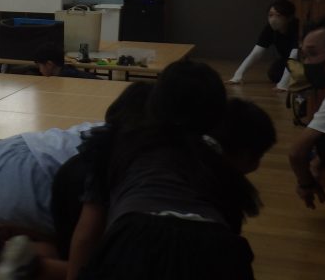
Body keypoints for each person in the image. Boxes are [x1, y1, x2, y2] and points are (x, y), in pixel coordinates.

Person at [0, 82, 155, 280]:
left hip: (4, 154)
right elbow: (86, 235)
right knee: (83, 250)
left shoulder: (98, 130)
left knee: (42, 234)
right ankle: (17, 259)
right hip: (34, 176)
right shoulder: (132, 147)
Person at [69, 60, 261, 279]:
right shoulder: (217, 157)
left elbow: (86, 236)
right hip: (216, 248)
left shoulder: (121, 143)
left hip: (135, 240)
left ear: (155, 103)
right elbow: (231, 222)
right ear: (217, 114)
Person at [287, 15, 325, 210]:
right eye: (304, 56)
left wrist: (305, 184)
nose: (307, 63)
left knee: (321, 141)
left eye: (312, 54)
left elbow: (297, 153)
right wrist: (319, 159)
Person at [228, 0, 300, 90]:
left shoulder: (298, 28)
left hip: (302, 61)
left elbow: (294, 55)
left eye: (278, 15)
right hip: (286, 59)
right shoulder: (270, 29)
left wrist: (283, 84)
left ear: (289, 18)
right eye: (270, 15)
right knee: (274, 74)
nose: (273, 19)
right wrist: (237, 76)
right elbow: (256, 53)